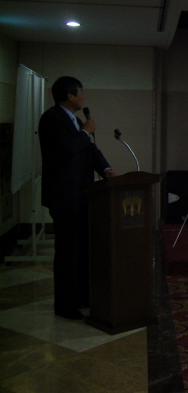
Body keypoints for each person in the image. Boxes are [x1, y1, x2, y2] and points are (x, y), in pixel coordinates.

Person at [38, 76, 116, 320]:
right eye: (80, 93)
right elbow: (67, 148)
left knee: (82, 250)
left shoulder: (76, 120)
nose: (83, 97)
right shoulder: (51, 118)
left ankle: (81, 296)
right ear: (70, 96)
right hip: (63, 197)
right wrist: (85, 132)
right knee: (67, 252)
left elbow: (89, 150)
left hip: (82, 196)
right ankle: (64, 305)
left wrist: (105, 169)